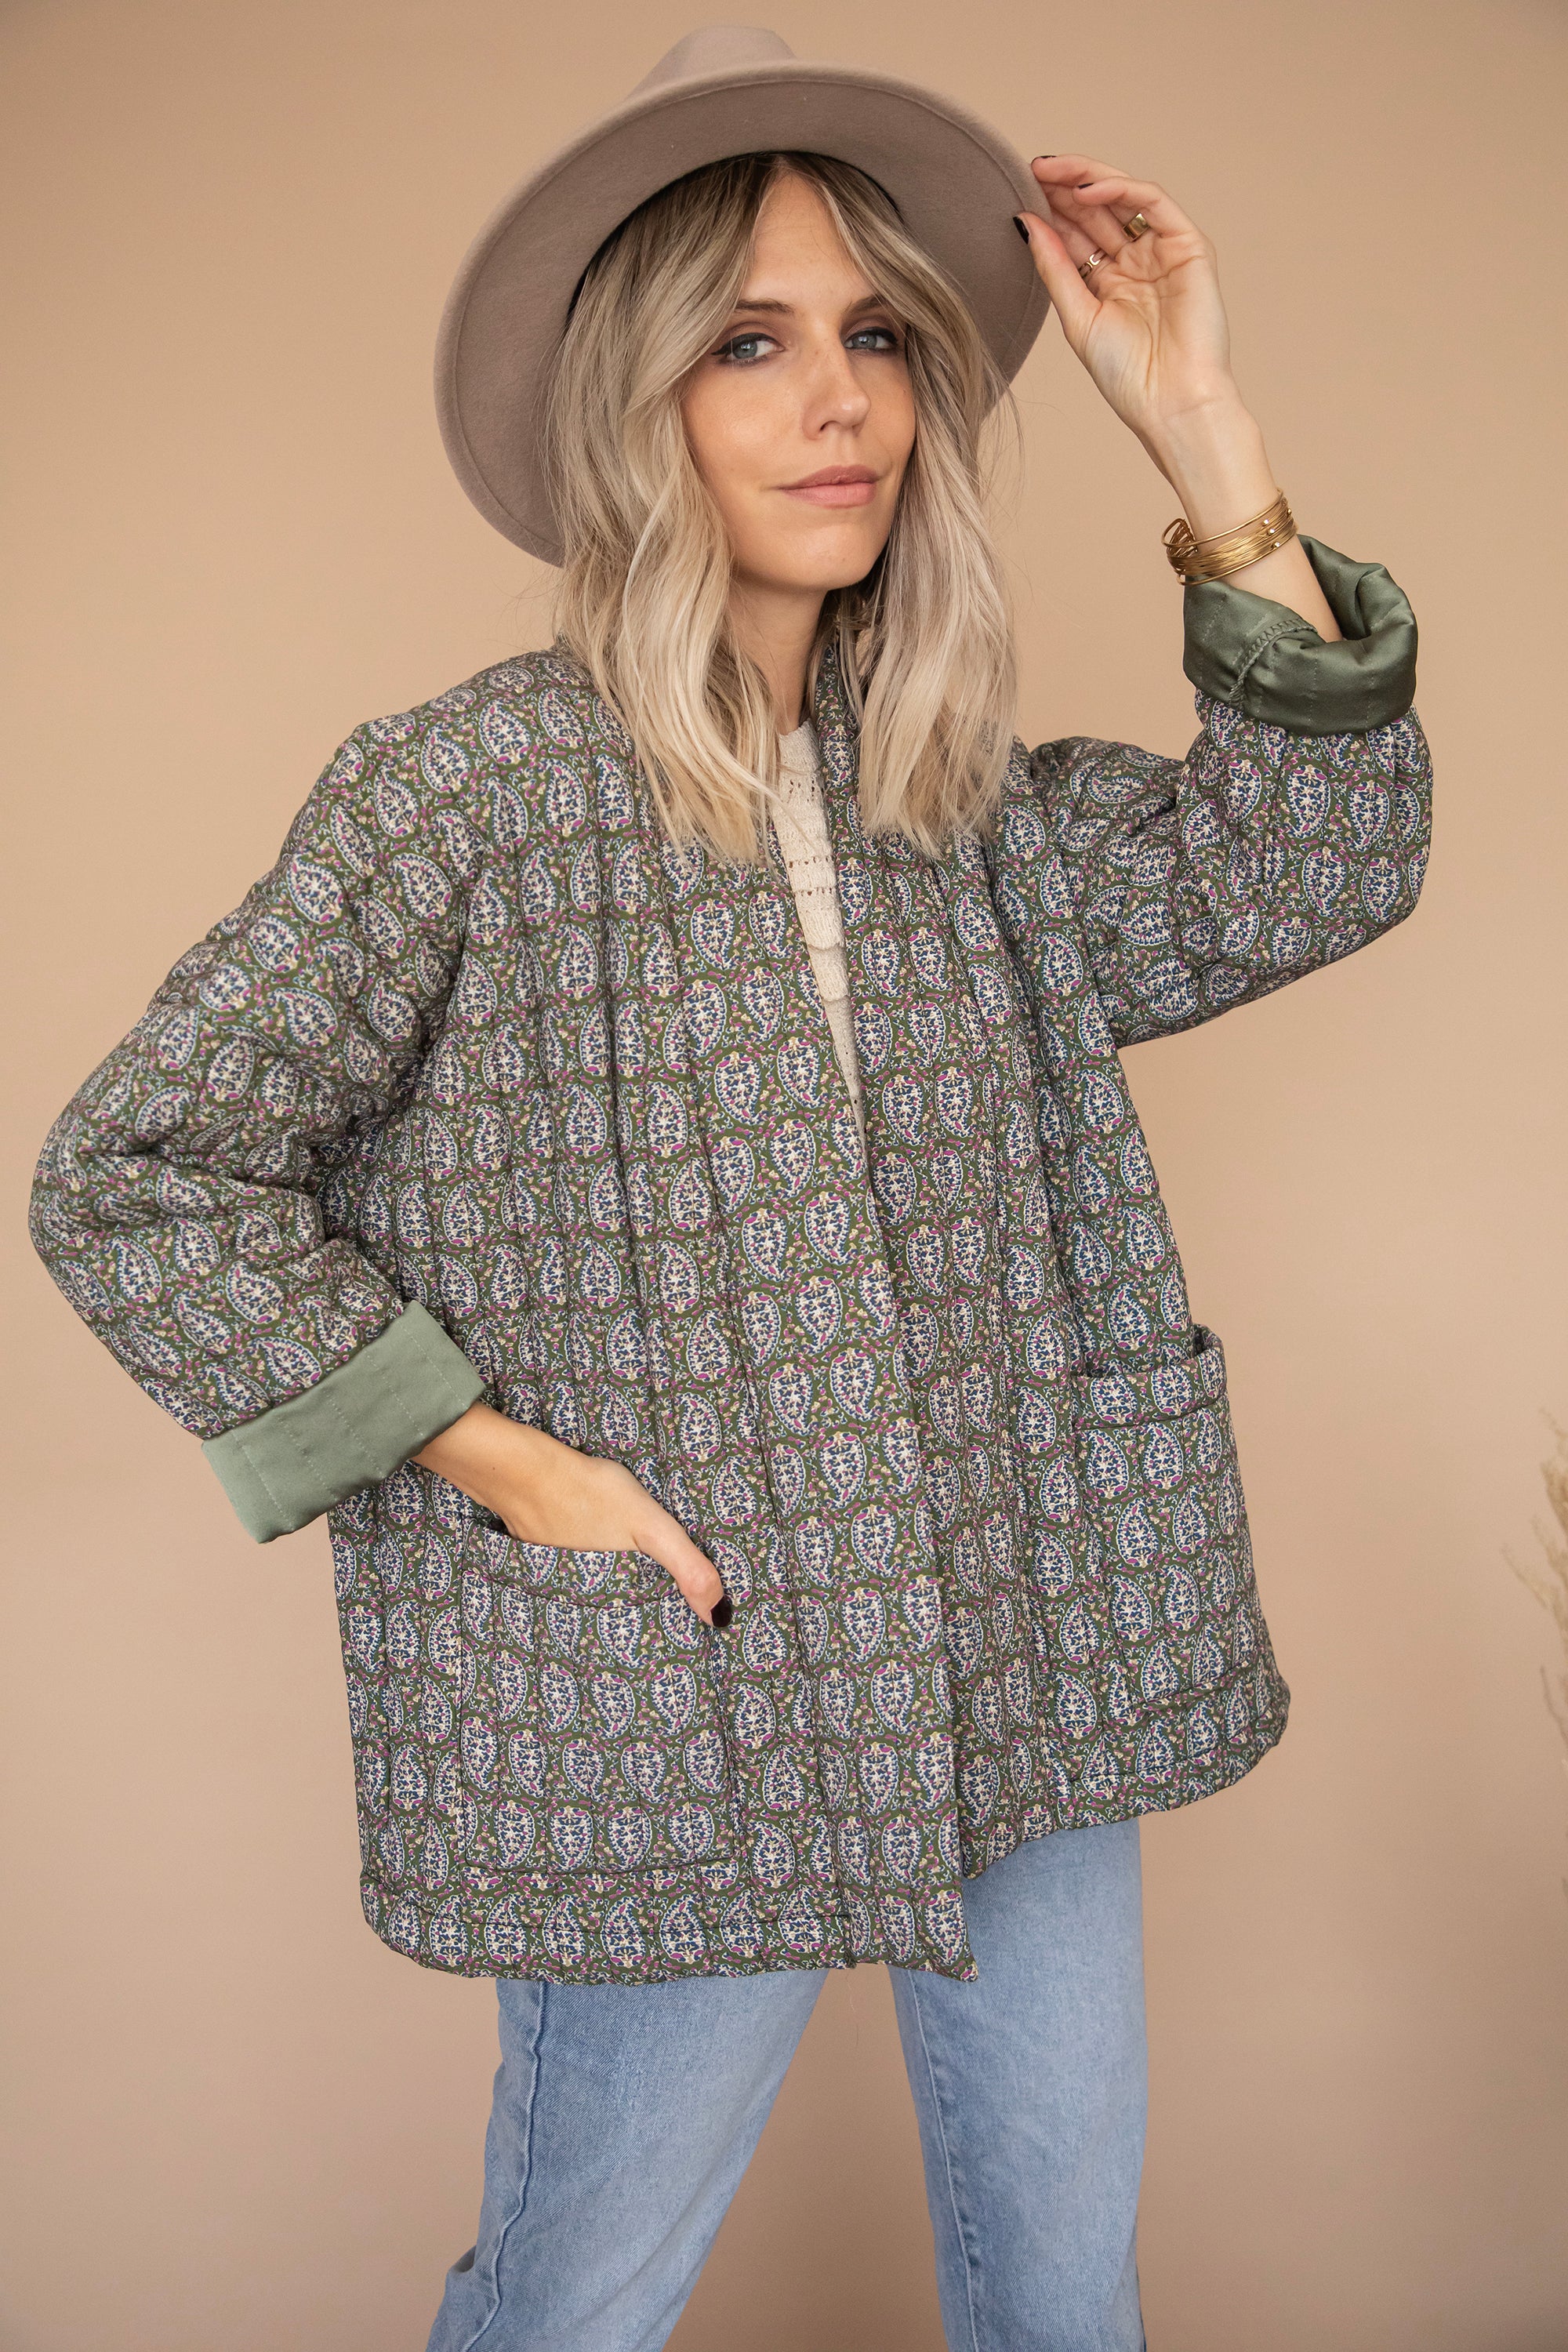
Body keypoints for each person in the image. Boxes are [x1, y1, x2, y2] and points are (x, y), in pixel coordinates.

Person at [27, 25, 1431, 2352]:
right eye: (751, 343)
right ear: (635, 399)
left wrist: (1202, 429)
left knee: (1067, 2290)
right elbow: (139, 1172)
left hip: (1026, 1631)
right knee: (577, 2306)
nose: (839, 399)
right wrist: (506, 1464)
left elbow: (1316, 855)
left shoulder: (961, 791)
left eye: (877, 335)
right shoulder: (465, 799)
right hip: (679, 1675)